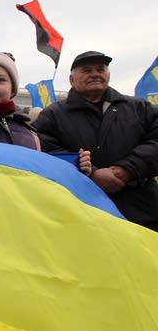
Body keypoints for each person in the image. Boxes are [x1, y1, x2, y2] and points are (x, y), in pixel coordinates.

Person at [33, 51, 158, 231]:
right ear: (71, 79)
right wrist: (91, 174)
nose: (95, 74)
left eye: (100, 69)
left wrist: (126, 170)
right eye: (87, 70)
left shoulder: (139, 108)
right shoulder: (53, 115)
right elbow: (45, 152)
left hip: (142, 211)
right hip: (82, 210)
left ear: (108, 75)